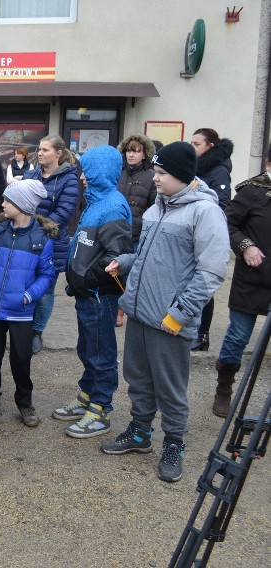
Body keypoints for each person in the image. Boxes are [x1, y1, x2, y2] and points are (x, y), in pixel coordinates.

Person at [100, 141, 229, 482]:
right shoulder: (158, 207)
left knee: (170, 387)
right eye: (155, 172)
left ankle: (174, 444)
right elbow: (147, 255)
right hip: (142, 312)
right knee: (139, 379)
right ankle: (140, 433)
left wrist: (180, 314)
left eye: (161, 174)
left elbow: (211, 272)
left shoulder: (204, 212)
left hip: (170, 320)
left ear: (183, 177)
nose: (154, 179)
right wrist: (126, 262)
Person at [52, 145, 133, 438]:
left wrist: (86, 279)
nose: (82, 176)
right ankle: (87, 396)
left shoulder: (112, 206)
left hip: (99, 295)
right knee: (88, 349)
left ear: (102, 172)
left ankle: (100, 409)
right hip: (87, 293)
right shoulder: (95, 202)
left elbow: (116, 257)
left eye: (87, 170)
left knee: (101, 352)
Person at [0, 180, 56, 427]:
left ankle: (25, 403)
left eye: (8, 201)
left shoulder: (41, 239)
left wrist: (28, 296)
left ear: (22, 205)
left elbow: (47, 274)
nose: (2, 204)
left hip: (21, 311)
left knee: (21, 358)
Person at [211, 140, 271, 417]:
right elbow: (229, 223)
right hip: (252, 277)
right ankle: (224, 390)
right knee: (237, 337)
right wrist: (246, 246)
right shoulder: (252, 192)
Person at [22, 135, 80, 353]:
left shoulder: (69, 178)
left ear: (58, 153)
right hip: (27, 240)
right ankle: (24, 326)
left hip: (52, 243)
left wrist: (35, 227)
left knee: (45, 290)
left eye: (45, 150)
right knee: (26, 283)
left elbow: (63, 213)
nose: (40, 153)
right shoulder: (31, 174)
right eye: (39, 148)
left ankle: (37, 331)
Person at [191, 128, 234, 352]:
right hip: (195, 232)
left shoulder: (218, 170)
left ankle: (203, 335)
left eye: (197, 144)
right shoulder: (199, 167)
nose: (193, 147)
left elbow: (222, 201)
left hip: (207, 235)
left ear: (210, 147)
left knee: (204, 285)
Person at [115, 133, 157, 327]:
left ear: (144, 154)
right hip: (116, 230)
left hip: (137, 233)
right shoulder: (118, 172)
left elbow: (154, 206)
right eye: (128, 151)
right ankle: (117, 309)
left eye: (136, 151)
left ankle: (125, 311)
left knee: (132, 273)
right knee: (114, 271)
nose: (131, 155)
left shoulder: (151, 176)